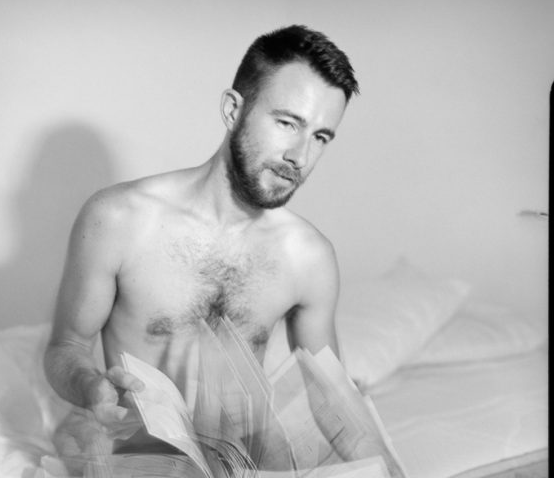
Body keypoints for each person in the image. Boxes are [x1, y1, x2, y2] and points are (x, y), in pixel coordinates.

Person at [44, 24, 359, 456]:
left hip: (241, 462)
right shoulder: (118, 218)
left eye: (320, 137)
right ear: (233, 110)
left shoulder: (309, 258)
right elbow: (67, 347)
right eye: (288, 123)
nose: (299, 157)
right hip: (142, 459)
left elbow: (333, 401)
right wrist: (91, 387)